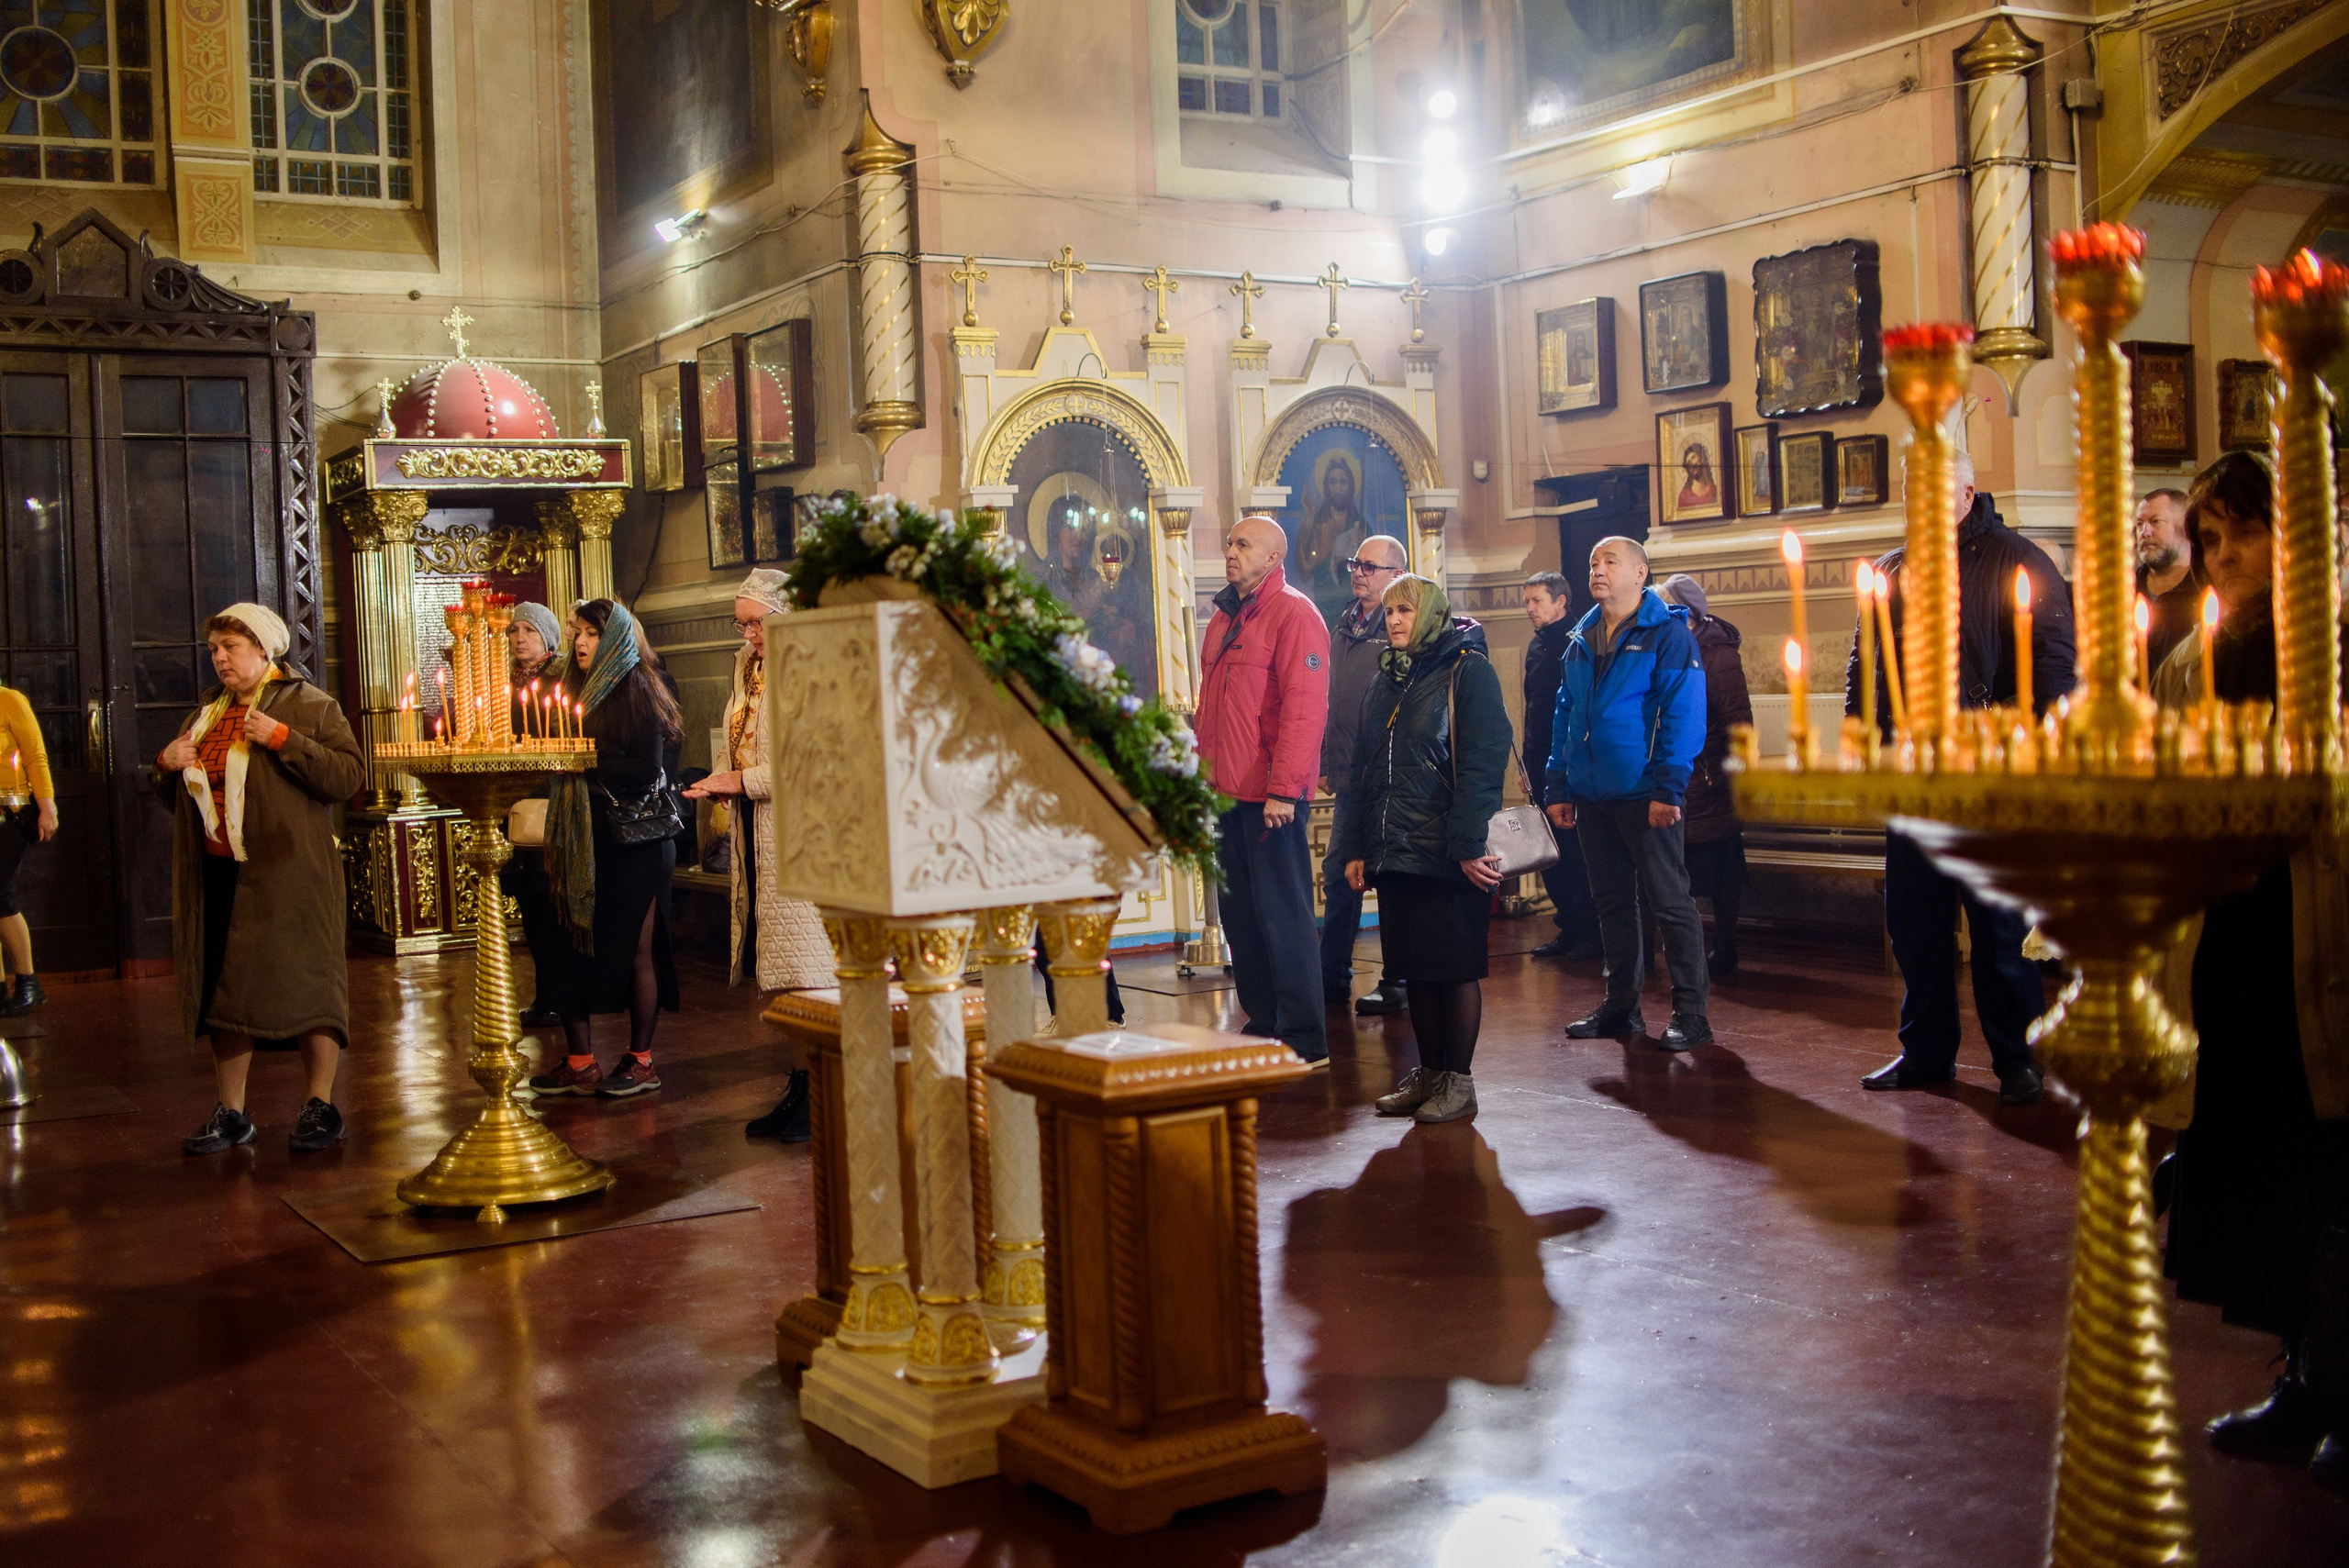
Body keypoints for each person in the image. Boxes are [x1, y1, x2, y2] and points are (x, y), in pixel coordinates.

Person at [2150, 451, 2349, 1493]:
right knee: (2271, 1173)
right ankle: (2305, 1375)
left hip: (2327, 935)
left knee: (2337, 1173)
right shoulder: (2194, 660)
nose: (2221, 556)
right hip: (2237, 948)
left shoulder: (2339, 647)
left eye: (2243, 532)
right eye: (2210, 536)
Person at [1845, 455, 2075, 1105]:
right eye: (1911, 486)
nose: (1918, 497)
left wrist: (2033, 752)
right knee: (1915, 922)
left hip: (1989, 769)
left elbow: (2055, 667)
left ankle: (2018, 1058)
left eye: (1934, 486)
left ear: (1968, 491)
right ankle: (1924, 1050)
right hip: (1910, 773)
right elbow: (1865, 664)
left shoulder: (2018, 559)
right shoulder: (1890, 568)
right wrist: (1863, 740)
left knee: (1999, 926)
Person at [161, 604, 366, 1155]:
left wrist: (285, 740)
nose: (220, 658)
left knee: (310, 984)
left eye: (230, 647)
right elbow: (184, 798)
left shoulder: (308, 704)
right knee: (225, 992)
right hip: (220, 871)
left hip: (291, 872)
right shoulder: (205, 714)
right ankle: (232, 1112)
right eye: (214, 650)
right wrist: (166, 764)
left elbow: (348, 777)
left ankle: (319, 1105)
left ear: (264, 648)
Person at [1338, 573, 1508, 1123]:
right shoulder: (1385, 681)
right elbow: (1366, 771)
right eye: (1389, 612)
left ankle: (1459, 1082)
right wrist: (1359, 846)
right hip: (1398, 852)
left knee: (1454, 969)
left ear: (1431, 613)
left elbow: (1484, 763)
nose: (1393, 621)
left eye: (1405, 611)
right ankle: (1432, 1074)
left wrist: (1465, 843)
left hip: (1449, 850)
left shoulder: (1468, 671)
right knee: (1417, 970)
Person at [1542, 537, 1713, 1050]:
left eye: (1609, 562)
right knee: (1611, 903)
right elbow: (1565, 714)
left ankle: (1691, 1013)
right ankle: (1622, 1007)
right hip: (1592, 792)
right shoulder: (1581, 636)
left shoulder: (1667, 635)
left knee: (1669, 901)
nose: (1597, 570)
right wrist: (1559, 782)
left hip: (1646, 792)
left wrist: (1669, 787)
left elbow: (1683, 715)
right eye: (1593, 562)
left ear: (1640, 573)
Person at [685, 571, 835, 1141]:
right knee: (780, 977)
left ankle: (821, 1094)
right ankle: (800, 1085)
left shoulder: (813, 667)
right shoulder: (747, 667)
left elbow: (814, 764)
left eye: (758, 621)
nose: (749, 633)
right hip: (757, 829)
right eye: (742, 622)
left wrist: (740, 782)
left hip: (803, 835)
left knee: (809, 973)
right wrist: (726, 782)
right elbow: (739, 740)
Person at [526, 599, 683, 1099]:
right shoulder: (567, 689)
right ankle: (579, 1061)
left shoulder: (639, 690)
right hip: (578, 838)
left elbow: (646, 773)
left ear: (612, 638)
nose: (580, 642)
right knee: (565, 943)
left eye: (591, 633)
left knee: (637, 952)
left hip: (633, 843)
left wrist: (583, 761)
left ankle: (640, 1060)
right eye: (577, 633)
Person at [1197, 514, 1330, 1067]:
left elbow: (1303, 711)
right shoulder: (1224, 616)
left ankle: (1305, 1033)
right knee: (1241, 914)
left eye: (1243, 544)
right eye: (1229, 542)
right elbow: (1211, 713)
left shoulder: (1294, 613)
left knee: (1283, 914)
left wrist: (1284, 790)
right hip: (1225, 793)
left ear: (1274, 557)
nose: (1231, 551)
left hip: (1270, 797)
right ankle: (1266, 1016)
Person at [1319, 532, 1409, 1015]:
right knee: (1340, 872)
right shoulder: (1345, 624)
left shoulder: (1405, 628)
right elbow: (1332, 701)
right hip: (1351, 775)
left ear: (1398, 574)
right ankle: (1331, 975)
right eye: (1356, 563)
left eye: (1370, 566)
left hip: (1392, 777)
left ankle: (1399, 980)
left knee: (1393, 876)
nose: (1358, 571)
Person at [1656, 574, 1753, 976]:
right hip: (1677, 774)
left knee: (1720, 868)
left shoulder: (1719, 653)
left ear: (1689, 612)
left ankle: (1725, 946)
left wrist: (1728, 773)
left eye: (1665, 604)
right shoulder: (1665, 645)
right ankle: (1684, 949)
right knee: (1675, 868)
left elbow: (1737, 721)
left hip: (1710, 775)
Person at [1520, 573, 1600, 961]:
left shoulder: (1581, 643)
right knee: (1548, 849)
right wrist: (1524, 763)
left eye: (1537, 600)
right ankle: (1569, 924)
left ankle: (1592, 929)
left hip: (1570, 761)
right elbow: (1531, 709)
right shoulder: (1536, 648)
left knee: (1576, 850)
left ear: (1561, 602)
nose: (1529, 608)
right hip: (1538, 761)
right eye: (1528, 601)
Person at [505, 600, 566, 1029]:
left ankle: (563, 995)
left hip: (551, 804)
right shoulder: (506, 682)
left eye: (529, 630)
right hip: (517, 805)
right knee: (530, 907)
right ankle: (546, 993)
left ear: (546, 637)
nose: (520, 638)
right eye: (513, 630)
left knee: (554, 906)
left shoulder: (560, 680)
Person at [0, 683, 57, 1015]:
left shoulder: (10, 701)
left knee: (0, 897)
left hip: (12, 812)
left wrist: (47, 806)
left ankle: (28, 982)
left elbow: (35, 755)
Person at [2137, 487, 2199, 674]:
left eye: (2155, 522)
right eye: (2140, 524)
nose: (2145, 532)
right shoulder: (2122, 590)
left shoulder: (2205, 588)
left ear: (2186, 527)